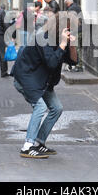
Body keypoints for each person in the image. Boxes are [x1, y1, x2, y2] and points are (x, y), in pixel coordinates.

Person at [12, 13, 78, 158]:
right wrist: (62, 44)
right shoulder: (42, 38)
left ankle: (38, 142)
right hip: (26, 79)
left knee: (57, 108)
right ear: (60, 26)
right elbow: (52, 62)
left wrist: (71, 44)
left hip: (42, 81)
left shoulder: (60, 39)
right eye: (69, 28)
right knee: (40, 107)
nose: (71, 31)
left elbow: (73, 62)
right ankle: (27, 146)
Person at [64, 0, 84, 72]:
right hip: (81, 29)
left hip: (76, 30)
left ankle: (79, 65)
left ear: (67, 3)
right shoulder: (77, 6)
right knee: (78, 47)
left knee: (76, 47)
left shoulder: (71, 9)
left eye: (65, 4)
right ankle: (77, 64)